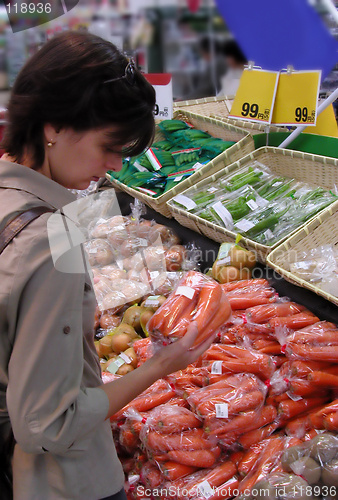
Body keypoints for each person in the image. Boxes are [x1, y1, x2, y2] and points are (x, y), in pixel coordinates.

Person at [0, 31, 215, 500]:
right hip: (59, 481)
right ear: (54, 125)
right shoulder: (50, 237)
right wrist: (160, 366)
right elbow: (48, 425)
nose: (115, 165)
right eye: (109, 146)